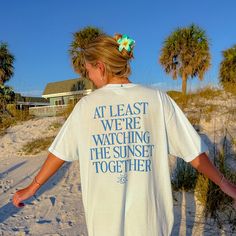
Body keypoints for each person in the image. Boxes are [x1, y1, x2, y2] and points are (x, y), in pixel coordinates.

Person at [13, 33, 236, 236]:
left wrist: (32, 187)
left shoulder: (85, 106)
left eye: (88, 70)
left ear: (100, 67)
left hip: (103, 224)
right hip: (151, 223)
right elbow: (193, 152)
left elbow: (59, 153)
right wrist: (223, 182)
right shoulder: (157, 99)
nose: (89, 76)